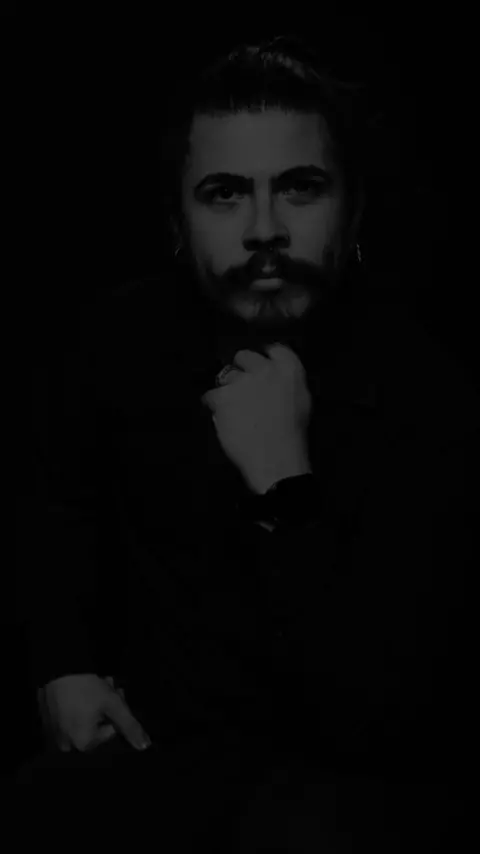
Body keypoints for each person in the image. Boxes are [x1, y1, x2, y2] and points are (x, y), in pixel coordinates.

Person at [15, 33, 476, 849]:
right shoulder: (113, 342)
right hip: (149, 772)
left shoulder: (430, 390)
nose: (265, 228)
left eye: (300, 188)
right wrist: (64, 662)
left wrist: (285, 483)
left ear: (354, 209)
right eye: (225, 194)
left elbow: (383, 716)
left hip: (345, 796)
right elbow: (57, 503)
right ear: (177, 220)